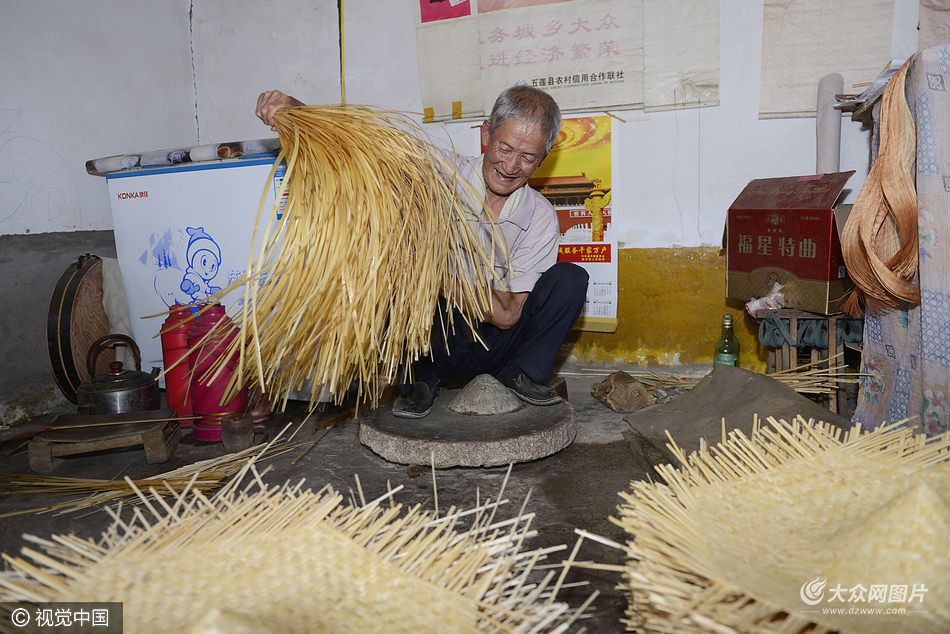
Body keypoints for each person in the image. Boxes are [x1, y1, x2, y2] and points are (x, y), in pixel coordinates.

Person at [255, 86, 589, 418]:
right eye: (505, 147)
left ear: (542, 159)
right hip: (432, 340)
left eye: (528, 157)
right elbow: (358, 146)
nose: (511, 165)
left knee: (570, 279)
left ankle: (520, 375)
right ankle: (418, 381)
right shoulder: (439, 171)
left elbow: (507, 314)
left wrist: (432, 274)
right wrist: (294, 109)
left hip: (498, 345)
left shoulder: (540, 216)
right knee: (385, 261)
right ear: (487, 134)